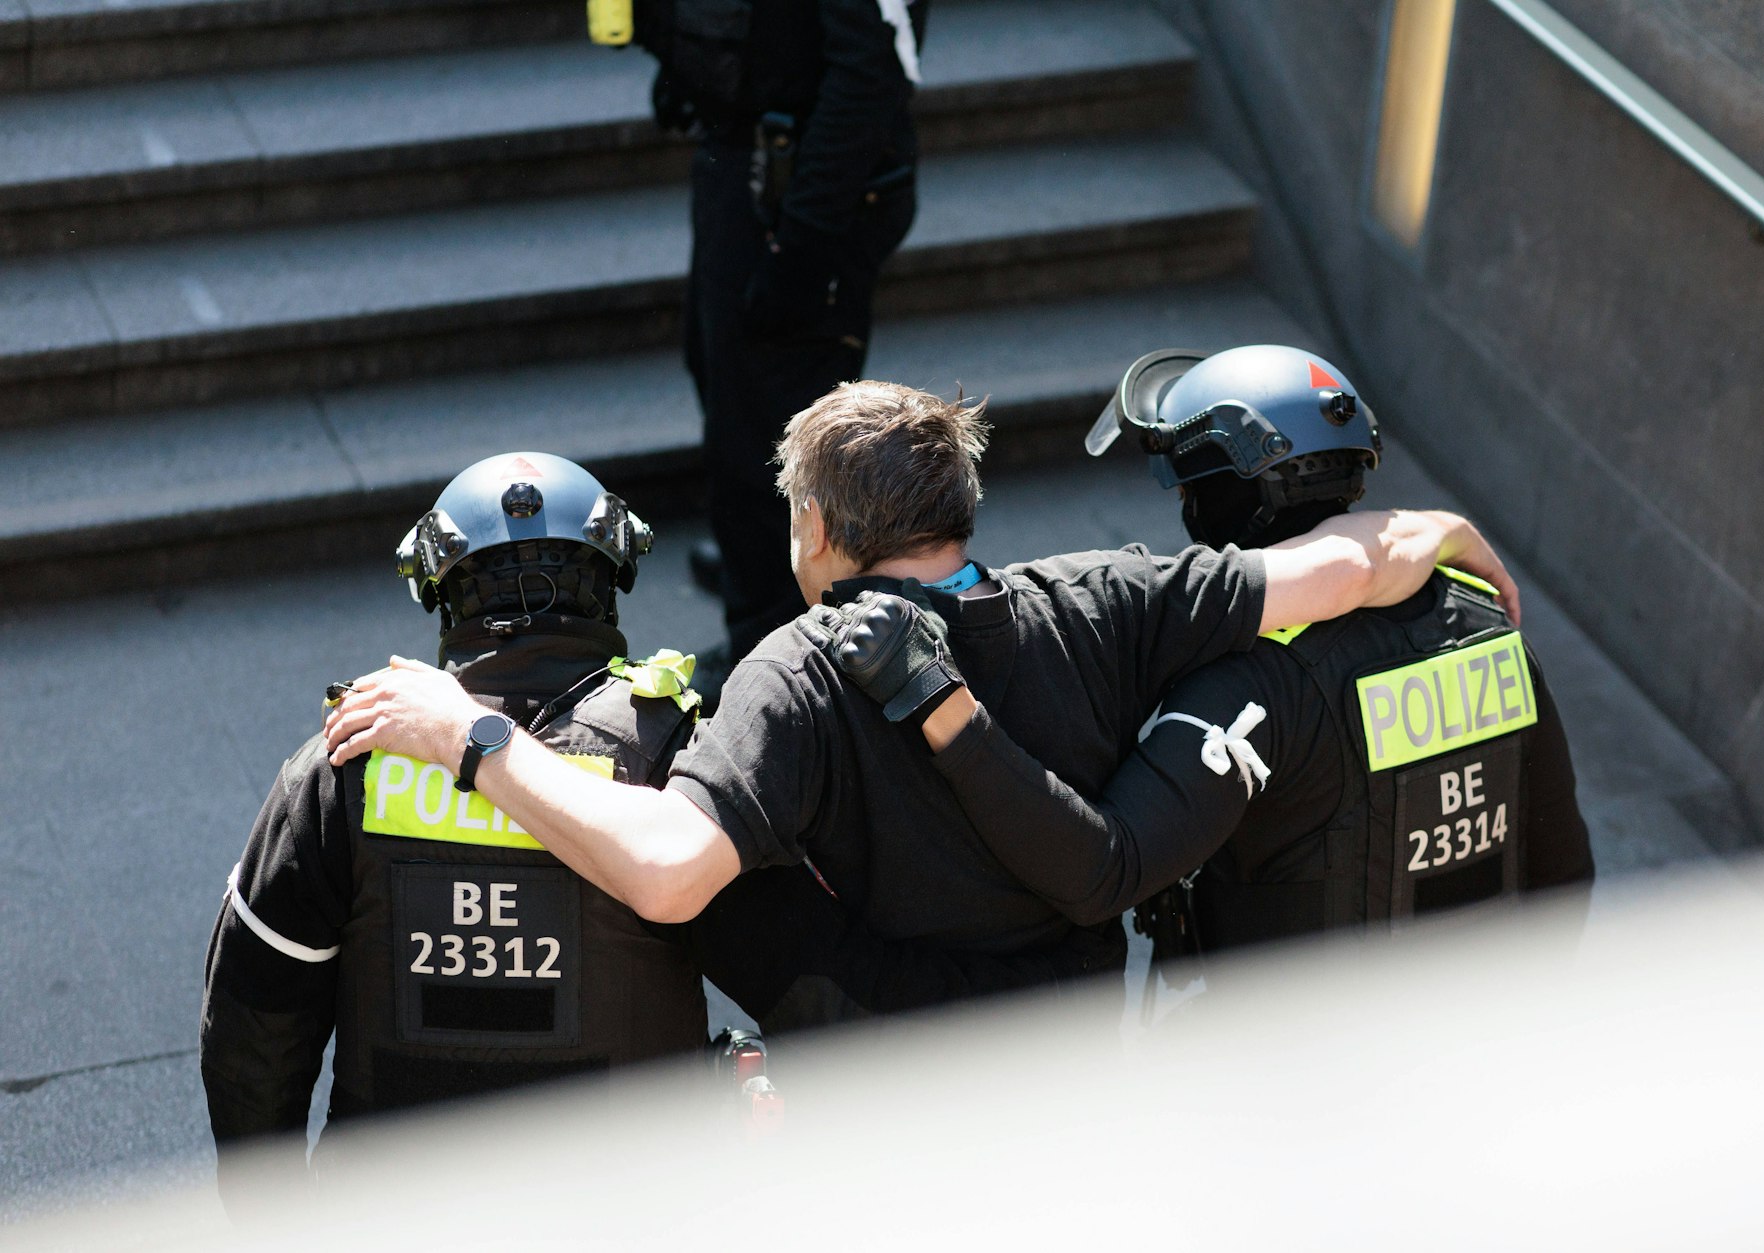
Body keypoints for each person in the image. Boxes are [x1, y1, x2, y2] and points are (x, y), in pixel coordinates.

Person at [320, 383, 1521, 982]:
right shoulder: (1102, 596)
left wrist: (472, 735)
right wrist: (1443, 527)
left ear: (820, 532)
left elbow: (670, 871)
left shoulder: (793, 675)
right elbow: (1329, 565)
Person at [200, 449, 1099, 1208]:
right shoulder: (684, 760)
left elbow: (253, 1030)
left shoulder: (344, 763)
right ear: (609, 581)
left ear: (442, 594)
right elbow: (811, 978)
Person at [816, 346, 1593, 966]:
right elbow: (1563, 873)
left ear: (1220, 499)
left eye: (1190, 489)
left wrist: (945, 713)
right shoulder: (1484, 620)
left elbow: (1105, 871)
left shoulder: (1249, 684)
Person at [621, 0, 926, 688]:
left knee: (775, 434)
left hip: (800, 189)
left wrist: (803, 244)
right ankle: (757, 580)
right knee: (728, 392)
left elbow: (870, 73)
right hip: (743, 155)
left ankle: (782, 667)